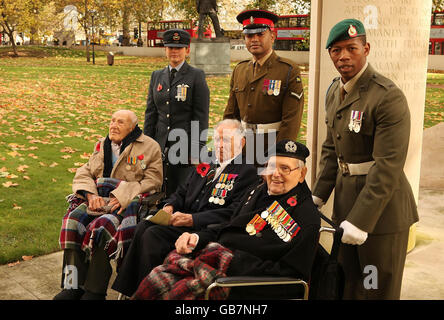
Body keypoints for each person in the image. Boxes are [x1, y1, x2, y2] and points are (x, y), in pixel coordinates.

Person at [131, 140, 320, 300]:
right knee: (159, 275)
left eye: (285, 168)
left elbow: (291, 276)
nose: (276, 174)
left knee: (175, 291)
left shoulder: (304, 215)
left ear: (301, 174)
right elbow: (229, 225)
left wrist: (231, 262)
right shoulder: (258, 190)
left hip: (245, 282)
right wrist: (197, 237)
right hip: (220, 260)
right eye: (271, 166)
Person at [311, 19, 419, 299]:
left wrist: (360, 221)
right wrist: (317, 197)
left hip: (382, 213)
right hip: (346, 205)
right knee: (347, 285)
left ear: (366, 48)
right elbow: (331, 150)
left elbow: (388, 167)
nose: (343, 56)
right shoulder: (335, 90)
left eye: (351, 48)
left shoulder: (386, 96)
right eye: (336, 50)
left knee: (374, 288)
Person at [111, 119, 258, 297]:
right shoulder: (208, 162)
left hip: (204, 230)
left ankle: (147, 293)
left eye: (226, 140)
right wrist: (170, 206)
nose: (220, 145)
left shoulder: (247, 171)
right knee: (143, 226)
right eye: (217, 140)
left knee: (153, 235)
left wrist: (193, 219)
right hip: (181, 221)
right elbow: (182, 191)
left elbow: (233, 212)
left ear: (241, 143)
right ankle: (130, 290)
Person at [54, 110, 163, 300]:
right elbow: (85, 171)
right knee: (72, 222)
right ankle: (73, 285)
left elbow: (154, 181)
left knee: (102, 227)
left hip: (126, 206)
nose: (113, 125)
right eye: (112, 121)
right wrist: (90, 195)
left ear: (132, 127)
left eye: (120, 122)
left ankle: (94, 291)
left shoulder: (149, 146)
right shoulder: (102, 144)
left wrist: (123, 195)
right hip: (97, 199)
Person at [223, 9, 305, 166]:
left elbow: (291, 121)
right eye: (249, 35)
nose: (254, 39)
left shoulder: (288, 70)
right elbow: (230, 114)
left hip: (271, 149)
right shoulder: (239, 70)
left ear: (272, 36)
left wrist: (279, 156)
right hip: (242, 149)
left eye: (260, 34)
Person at [144, 28, 210, 197]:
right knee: (156, 190)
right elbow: (151, 114)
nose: (174, 51)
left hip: (184, 146)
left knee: (180, 193)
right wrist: (146, 145)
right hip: (159, 145)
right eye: (170, 47)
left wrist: (196, 150)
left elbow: (201, 117)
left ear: (187, 50)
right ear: (165, 49)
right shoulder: (157, 75)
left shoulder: (196, 76)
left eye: (179, 47)